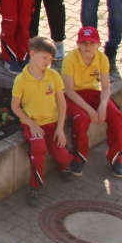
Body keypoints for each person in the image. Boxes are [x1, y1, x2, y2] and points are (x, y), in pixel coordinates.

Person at [12, 36, 75, 207]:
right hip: (32, 125)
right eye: (45, 57)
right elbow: (15, 106)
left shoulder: (54, 76)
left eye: (51, 59)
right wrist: (31, 123)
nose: (48, 62)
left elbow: (62, 102)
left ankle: (65, 164)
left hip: (53, 124)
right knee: (38, 149)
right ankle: (35, 186)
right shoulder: (21, 80)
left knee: (62, 156)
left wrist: (60, 128)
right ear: (32, 54)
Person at [62, 26, 122, 178]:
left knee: (117, 117)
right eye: (84, 43)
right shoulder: (70, 59)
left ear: (98, 44)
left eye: (92, 43)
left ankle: (115, 158)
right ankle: (78, 157)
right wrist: (90, 110)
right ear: (78, 44)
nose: (87, 46)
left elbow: (105, 88)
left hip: (93, 93)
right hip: (72, 95)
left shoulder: (102, 58)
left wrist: (103, 106)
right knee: (82, 118)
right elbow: (70, 91)